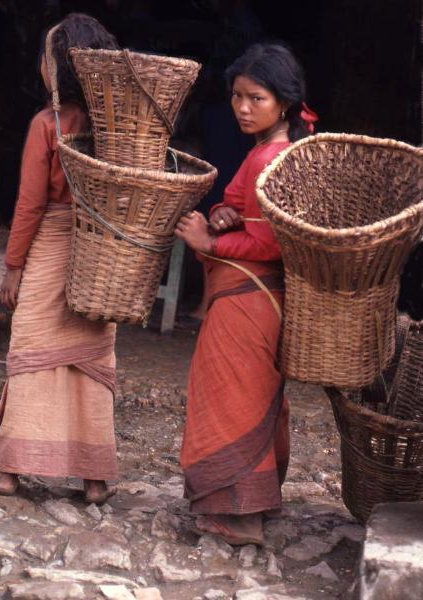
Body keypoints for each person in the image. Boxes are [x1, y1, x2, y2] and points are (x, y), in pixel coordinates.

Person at [174, 43, 317, 545]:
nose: (241, 107)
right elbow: (242, 211)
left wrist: (209, 242)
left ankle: (235, 515)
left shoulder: (273, 158)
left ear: (284, 102)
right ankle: (251, 504)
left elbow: (269, 244)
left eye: (256, 98)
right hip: (256, 297)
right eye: (236, 96)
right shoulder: (266, 152)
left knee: (229, 394)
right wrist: (221, 216)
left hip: (248, 298)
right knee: (251, 394)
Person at [0, 13, 120, 504]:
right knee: (92, 357)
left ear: (60, 69)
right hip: (102, 253)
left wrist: (14, 265)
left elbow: (29, 204)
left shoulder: (46, 124)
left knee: (29, 351)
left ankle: (12, 472)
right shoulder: (119, 126)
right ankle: (93, 479)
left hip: (50, 246)